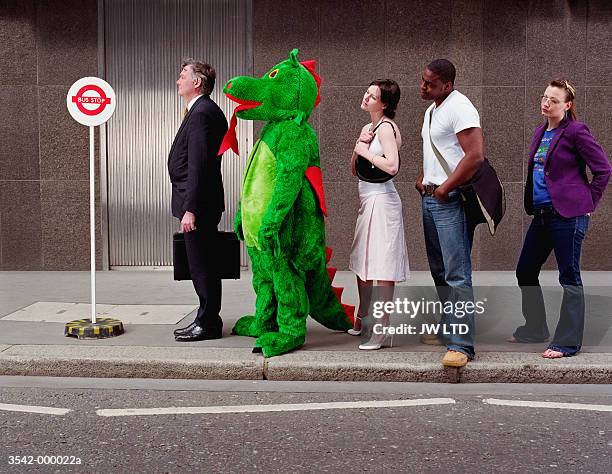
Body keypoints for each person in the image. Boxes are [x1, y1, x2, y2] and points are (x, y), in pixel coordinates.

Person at [510, 79, 611, 358]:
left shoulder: (576, 131)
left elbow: (603, 169)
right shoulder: (540, 132)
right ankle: (535, 327)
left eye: (553, 100)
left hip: (568, 215)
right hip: (542, 215)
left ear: (567, 105)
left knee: (569, 277)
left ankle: (566, 343)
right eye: (544, 97)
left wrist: (589, 202)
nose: (546, 103)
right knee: (525, 270)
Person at [416, 59, 484, 368]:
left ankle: (462, 344)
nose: (423, 86)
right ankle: (448, 327)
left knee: (457, 274)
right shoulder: (433, 109)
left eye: (429, 83)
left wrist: (444, 188)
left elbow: (475, 157)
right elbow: (443, 152)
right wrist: (426, 179)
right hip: (430, 198)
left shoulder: (461, 107)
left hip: (449, 200)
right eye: (423, 80)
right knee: (439, 270)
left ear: (447, 85)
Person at [168, 59, 228, 342]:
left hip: (199, 205)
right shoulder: (201, 110)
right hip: (199, 202)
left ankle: (207, 323)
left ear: (197, 83)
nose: (178, 80)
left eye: (183, 76)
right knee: (202, 263)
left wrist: (190, 209)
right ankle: (206, 318)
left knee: (202, 265)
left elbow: (199, 164)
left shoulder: (202, 112)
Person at [348, 79, 409, 350]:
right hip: (367, 200)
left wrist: (365, 151)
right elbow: (355, 169)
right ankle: (364, 316)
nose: (366, 97)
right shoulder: (367, 127)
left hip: (382, 202)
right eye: (366, 92)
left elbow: (393, 166)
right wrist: (358, 146)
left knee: (383, 268)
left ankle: (381, 330)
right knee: (362, 263)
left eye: (372, 96)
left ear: (384, 103)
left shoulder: (386, 128)